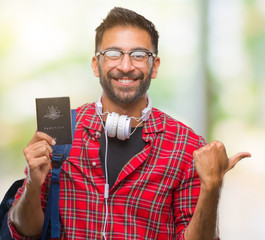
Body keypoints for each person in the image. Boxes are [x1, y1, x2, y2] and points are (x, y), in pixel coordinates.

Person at [8, 7, 251, 240]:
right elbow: (24, 231)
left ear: (154, 66)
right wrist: (32, 183)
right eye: (113, 54)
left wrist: (212, 187)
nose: (125, 66)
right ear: (96, 64)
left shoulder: (187, 146)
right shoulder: (58, 130)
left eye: (138, 55)